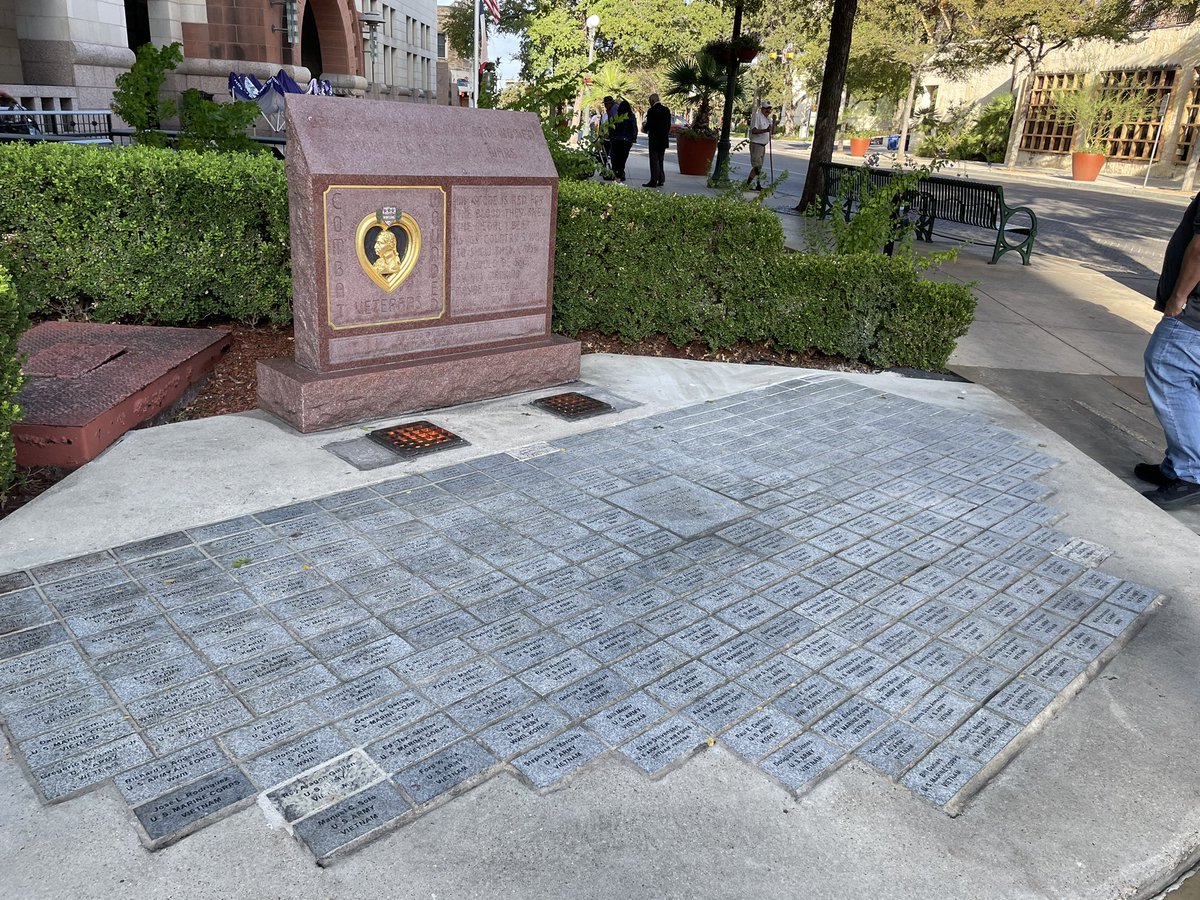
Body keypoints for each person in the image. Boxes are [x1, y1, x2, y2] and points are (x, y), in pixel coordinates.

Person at [1138, 189, 1200, 509]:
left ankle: (1190, 474)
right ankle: (1177, 466)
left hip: (1194, 313)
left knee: (1166, 366)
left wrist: (1178, 298)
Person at [641, 93, 671, 188]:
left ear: (652, 101)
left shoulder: (651, 111)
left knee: (654, 161)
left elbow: (649, 125)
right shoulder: (666, 110)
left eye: (650, 101)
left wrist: (644, 129)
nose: (649, 103)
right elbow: (668, 125)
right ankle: (661, 179)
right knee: (660, 160)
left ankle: (653, 181)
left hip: (654, 139)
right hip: (663, 139)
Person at [745, 99, 776, 191]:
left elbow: (772, 131)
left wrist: (774, 121)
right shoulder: (757, 116)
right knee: (757, 166)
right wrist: (765, 130)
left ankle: (756, 185)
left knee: (759, 167)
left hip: (763, 145)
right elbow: (754, 130)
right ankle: (750, 184)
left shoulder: (768, 118)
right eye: (766, 109)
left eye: (769, 109)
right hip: (756, 144)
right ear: (762, 108)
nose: (768, 111)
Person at [608, 98, 637, 184]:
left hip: (616, 139)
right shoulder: (631, 117)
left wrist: (611, 136)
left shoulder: (617, 117)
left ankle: (615, 174)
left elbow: (611, 127)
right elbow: (634, 128)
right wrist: (633, 139)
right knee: (622, 159)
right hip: (626, 140)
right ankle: (619, 176)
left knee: (615, 158)